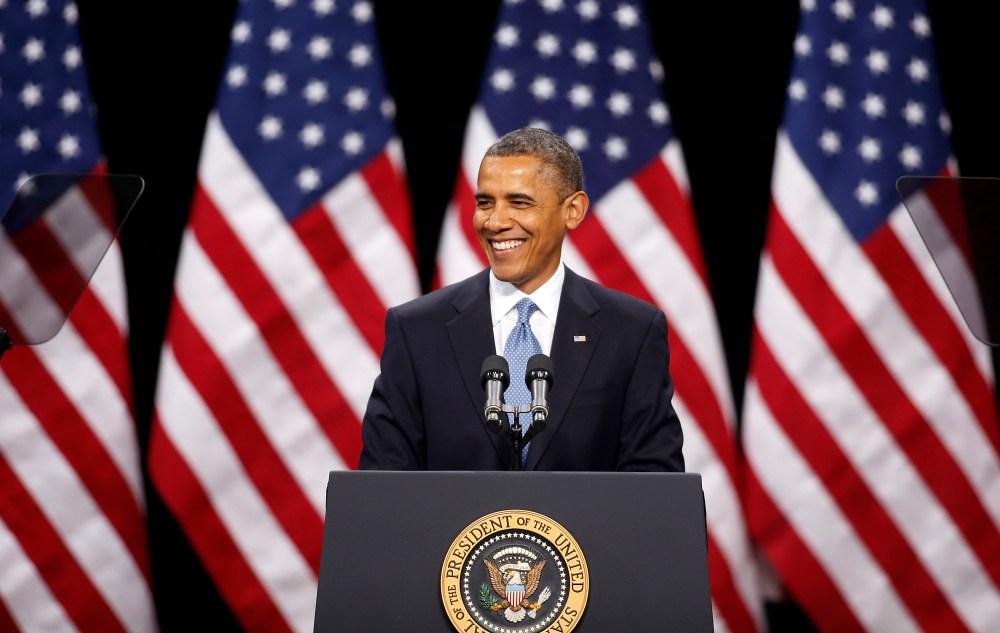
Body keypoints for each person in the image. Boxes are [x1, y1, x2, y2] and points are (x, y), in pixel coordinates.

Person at [359, 127, 684, 471]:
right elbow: (382, 481)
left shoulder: (631, 332)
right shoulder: (417, 331)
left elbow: (654, 479)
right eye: (485, 203)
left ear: (573, 210)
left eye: (519, 202)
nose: (495, 222)